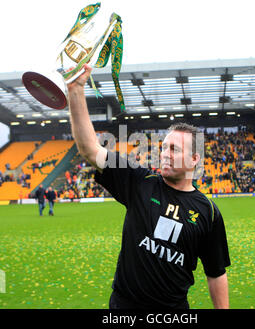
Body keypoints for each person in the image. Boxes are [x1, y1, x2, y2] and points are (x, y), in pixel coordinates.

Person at [67, 64, 231, 309]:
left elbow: (216, 273)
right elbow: (89, 149)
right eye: (163, 147)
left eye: (174, 149)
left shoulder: (208, 211)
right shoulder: (139, 182)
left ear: (194, 159)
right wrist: (76, 90)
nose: (164, 153)